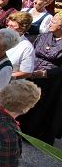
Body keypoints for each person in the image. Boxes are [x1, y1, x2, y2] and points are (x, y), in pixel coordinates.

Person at [20, 12, 62, 144]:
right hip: (33, 73)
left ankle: (34, 135)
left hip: (52, 81)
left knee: (41, 107)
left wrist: (45, 74)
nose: (50, 23)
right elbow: (32, 51)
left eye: (54, 22)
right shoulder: (44, 36)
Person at [4, 11, 36, 79]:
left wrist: (6, 78)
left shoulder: (27, 48)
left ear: (22, 29)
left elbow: (26, 73)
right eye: (7, 25)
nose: (7, 29)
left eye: (11, 26)